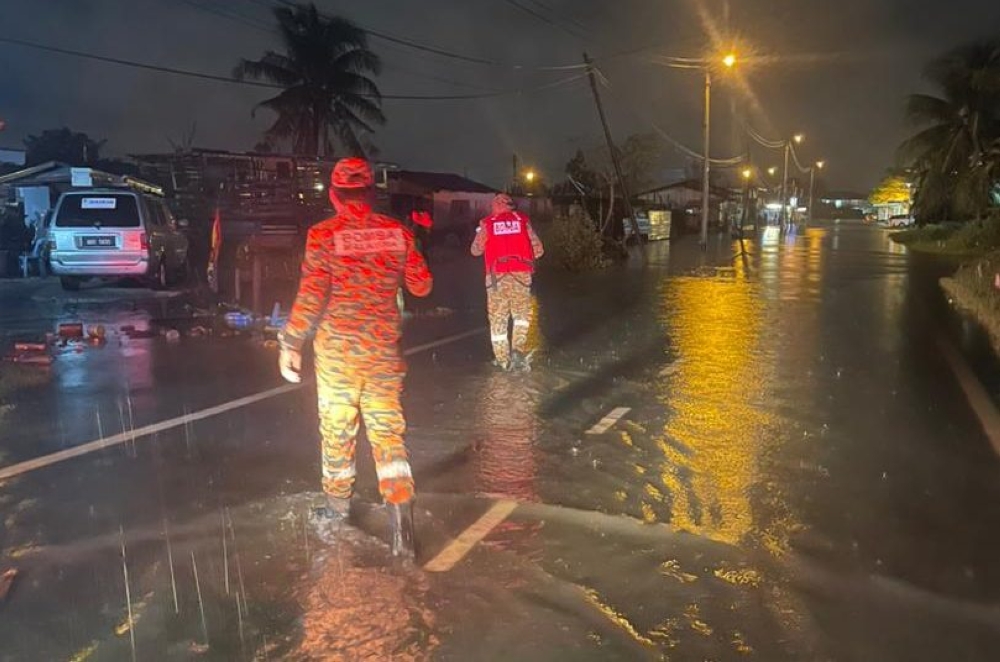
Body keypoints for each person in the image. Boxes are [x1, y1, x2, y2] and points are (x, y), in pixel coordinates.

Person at [278, 157, 432, 559]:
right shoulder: (397, 233)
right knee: (387, 435)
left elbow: (312, 294)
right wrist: (413, 249)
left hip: (338, 355)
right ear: (371, 193)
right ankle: (402, 526)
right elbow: (422, 287)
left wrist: (291, 341)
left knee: (338, 431)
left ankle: (337, 513)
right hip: (382, 352)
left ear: (334, 195)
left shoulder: (324, 235)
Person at [470, 193, 544, 371]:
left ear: (494, 206)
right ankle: (518, 350)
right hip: (521, 276)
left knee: (498, 320)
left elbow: (475, 251)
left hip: (497, 279)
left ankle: (503, 361)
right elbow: (539, 251)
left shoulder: (487, 223)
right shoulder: (523, 221)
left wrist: (481, 234)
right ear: (511, 206)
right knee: (521, 317)